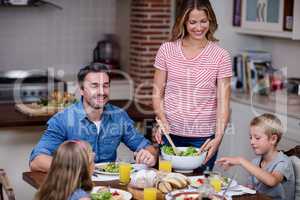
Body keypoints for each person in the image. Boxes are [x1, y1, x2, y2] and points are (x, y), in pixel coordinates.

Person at [30, 63, 158, 172]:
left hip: (111, 189)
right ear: (81, 89)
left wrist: (149, 156)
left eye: (106, 85)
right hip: (76, 187)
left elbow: (148, 148)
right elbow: (36, 160)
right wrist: (74, 169)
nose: (101, 92)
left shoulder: (119, 116)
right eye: (94, 86)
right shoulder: (63, 119)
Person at [152, 0, 232, 170]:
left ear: (210, 21)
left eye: (204, 21)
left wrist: (218, 137)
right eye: (192, 22)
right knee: (168, 185)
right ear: (183, 21)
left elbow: (223, 103)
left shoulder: (221, 56)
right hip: (170, 135)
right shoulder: (166, 50)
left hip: (203, 139)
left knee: (199, 189)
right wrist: (162, 120)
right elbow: (157, 93)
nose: (199, 27)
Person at [217, 113, 295, 200]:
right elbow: (251, 190)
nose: (252, 142)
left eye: (257, 138)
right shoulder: (255, 162)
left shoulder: (283, 162)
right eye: (251, 137)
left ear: (273, 139)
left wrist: (241, 160)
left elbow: (272, 181)